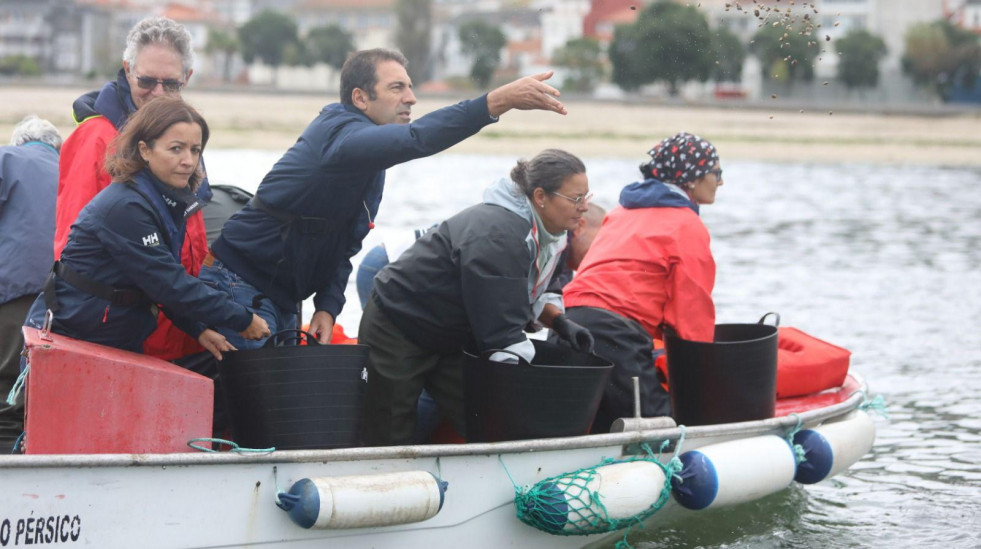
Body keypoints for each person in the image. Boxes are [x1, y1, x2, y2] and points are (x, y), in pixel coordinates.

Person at [200, 48, 568, 350]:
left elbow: (344, 244)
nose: (411, 97)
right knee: (250, 409)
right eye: (396, 88)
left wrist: (328, 306)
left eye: (409, 87)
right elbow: (416, 140)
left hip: (284, 297)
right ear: (360, 97)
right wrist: (497, 101)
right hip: (238, 283)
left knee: (273, 412)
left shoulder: (372, 162)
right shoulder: (338, 135)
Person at [360, 149, 595, 446]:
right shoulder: (500, 233)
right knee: (390, 427)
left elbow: (539, 290)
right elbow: (501, 334)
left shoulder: (555, 233)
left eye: (587, 196)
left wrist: (560, 322)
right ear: (540, 196)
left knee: (484, 415)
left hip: (451, 331)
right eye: (576, 199)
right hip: (399, 324)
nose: (584, 207)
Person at [24, 97, 269, 363]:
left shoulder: (163, 200)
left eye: (195, 150)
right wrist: (240, 318)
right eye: (176, 149)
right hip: (69, 340)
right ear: (145, 150)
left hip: (111, 338)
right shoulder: (125, 206)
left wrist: (198, 330)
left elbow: (155, 281)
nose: (188, 160)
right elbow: (168, 283)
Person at [55, 16, 211, 361]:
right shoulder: (96, 138)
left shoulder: (181, 140)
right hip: (125, 331)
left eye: (169, 84)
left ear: (186, 79)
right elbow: (70, 252)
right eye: (146, 80)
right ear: (127, 71)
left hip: (179, 322)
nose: (157, 93)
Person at [560, 132, 724, 433]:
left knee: (585, 427)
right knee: (662, 427)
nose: (721, 182)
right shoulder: (687, 225)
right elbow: (690, 318)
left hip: (565, 324)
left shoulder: (621, 213)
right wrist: (705, 387)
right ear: (691, 178)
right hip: (615, 336)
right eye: (717, 172)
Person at [0, 116, 62, 451]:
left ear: (18, 142)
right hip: (62, 308)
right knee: (36, 404)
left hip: (10, 301)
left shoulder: (6, 157)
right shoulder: (72, 170)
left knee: (5, 401)